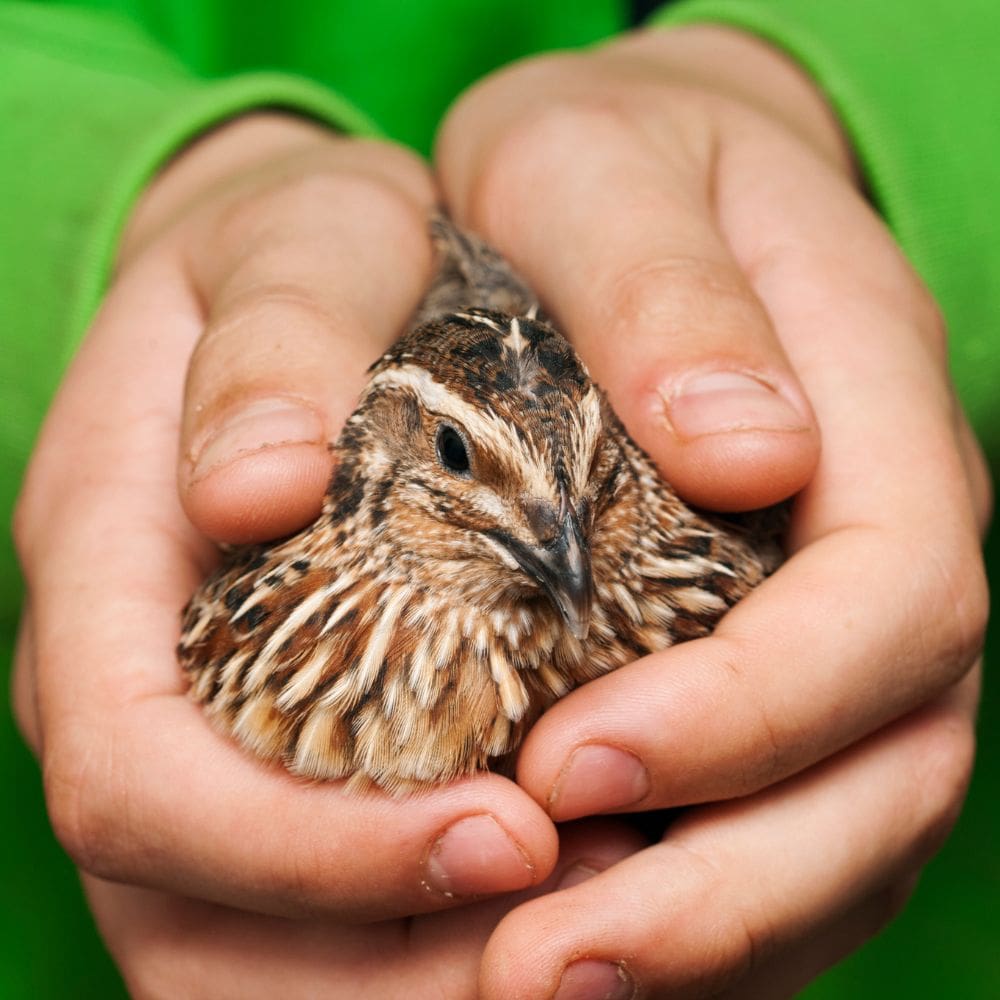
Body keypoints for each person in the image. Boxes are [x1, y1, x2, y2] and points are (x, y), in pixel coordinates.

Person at [3, 1, 994, 996]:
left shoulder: (706, 568)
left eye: (587, 476)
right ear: (379, 454)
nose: (556, 534)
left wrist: (825, 101)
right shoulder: (267, 604)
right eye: (454, 456)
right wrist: (128, 202)